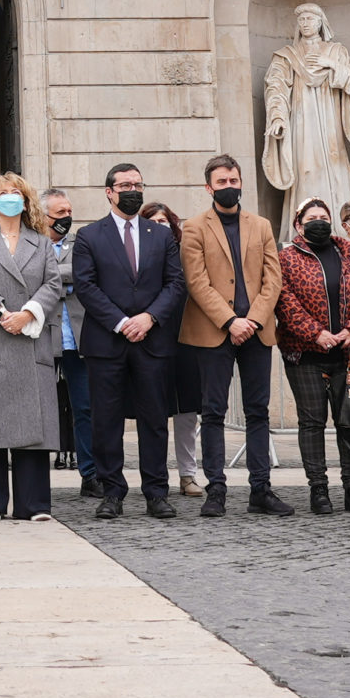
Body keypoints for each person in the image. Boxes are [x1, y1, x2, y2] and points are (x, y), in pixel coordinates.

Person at [176, 156, 291, 517]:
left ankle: (261, 489)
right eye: (222, 180)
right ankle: (216, 490)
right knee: (213, 412)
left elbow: (274, 279)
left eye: (234, 179)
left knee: (258, 411)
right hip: (214, 331)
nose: (230, 185)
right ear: (209, 187)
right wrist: (230, 321)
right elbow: (196, 282)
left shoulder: (261, 225)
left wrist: (253, 320)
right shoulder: (194, 228)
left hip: (256, 332)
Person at [73, 163, 186, 520]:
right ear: (109, 191)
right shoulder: (89, 236)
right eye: (125, 185)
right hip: (107, 344)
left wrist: (149, 318)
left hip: (153, 342)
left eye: (138, 184)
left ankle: (156, 493)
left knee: (154, 420)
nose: (132, 190)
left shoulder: (161, 235)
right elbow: (86, 287)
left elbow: (175, 284)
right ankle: (112, 492)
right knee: (106, 421)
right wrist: (122, 322)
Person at [0, 174, 69, 520]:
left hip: (29, 336)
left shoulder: (41, 243)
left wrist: (28, 313)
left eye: (15, 194)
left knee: (31, 425)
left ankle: (33, 504)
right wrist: (3, 311)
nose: (9, 199)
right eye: (2, 194)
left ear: (26, 202)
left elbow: (53, 285)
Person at [275, 197, 350, 514]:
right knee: (311, 422)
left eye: (323, 216)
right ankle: (319, 490)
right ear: (299, 224)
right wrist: (315, 333)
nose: (319, 221)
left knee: (349, 423)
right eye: (312, 217)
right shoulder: (287, 258)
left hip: (348, 353)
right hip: (306, 355)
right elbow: (285, 301)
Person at [145, 199, 203, 495]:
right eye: (152, 222)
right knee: (153, 412)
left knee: (186, 412)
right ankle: (154, 477)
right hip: (150, 339)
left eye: (163, 222)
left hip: (185, 339)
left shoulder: (185, 255)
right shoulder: (138, 256)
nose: (159, 227)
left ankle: (188, 474)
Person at [43, 187, 95, 494]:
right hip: (43, 338)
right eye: (60, 213)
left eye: (69, 211)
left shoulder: (83, 244)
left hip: (78, 339)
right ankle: (35, 477)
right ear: (45, 215)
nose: (67, 217)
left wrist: (50, 283)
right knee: (38, 409)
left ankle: (90, 473)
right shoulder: (31, 245)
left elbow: (84, 273)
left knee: (85, 408)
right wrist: (66, 284)